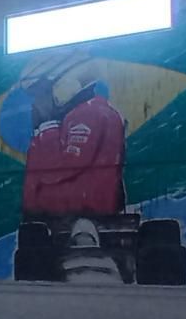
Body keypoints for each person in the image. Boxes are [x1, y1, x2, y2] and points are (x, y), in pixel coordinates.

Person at [21, 76, 126, 218]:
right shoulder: (96, 111)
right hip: (78, 214)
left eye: (42, 95)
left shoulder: (85, 115)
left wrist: (47, 129)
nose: (35, 104)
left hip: (73, 215)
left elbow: (60, 168)